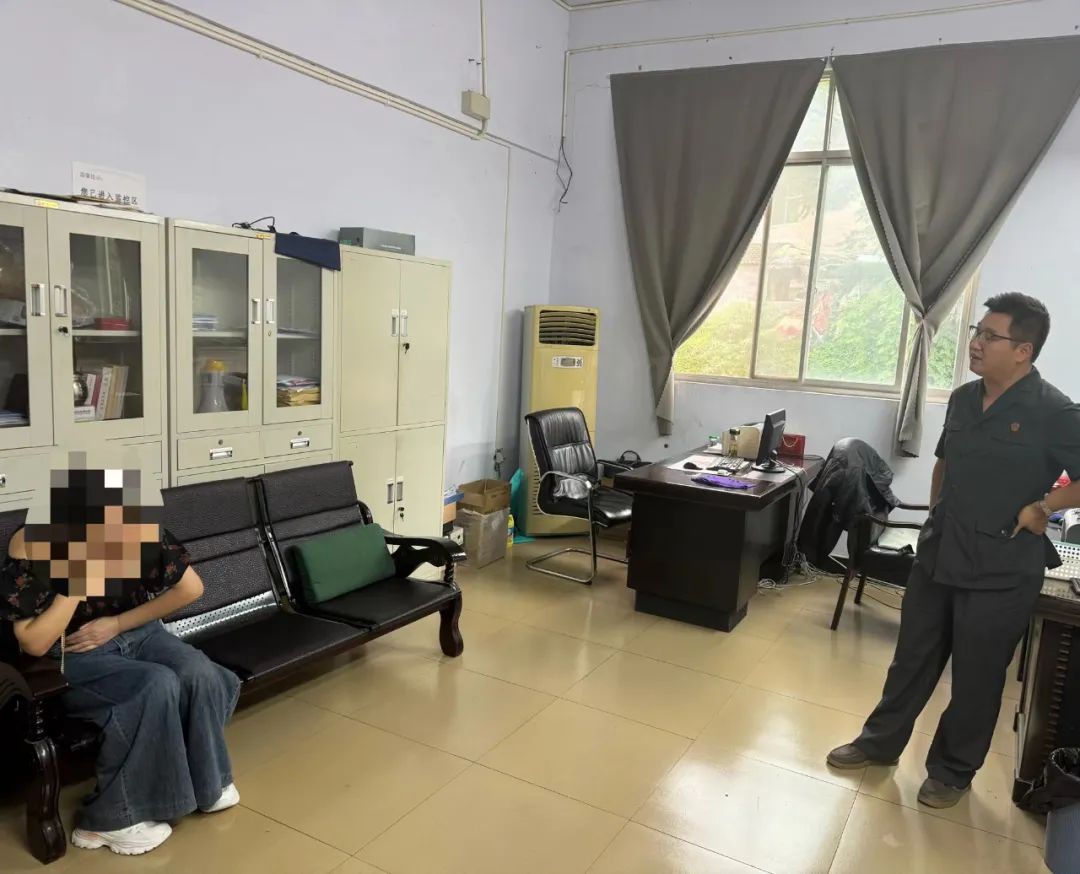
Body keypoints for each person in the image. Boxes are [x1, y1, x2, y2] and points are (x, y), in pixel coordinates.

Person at [827, 293, 1080, 808]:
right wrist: (936, 515)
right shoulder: (964, 398)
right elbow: (944, 462)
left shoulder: (1054, 411)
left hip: (1002, 566)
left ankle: (952, 771)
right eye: (975, 333)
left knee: (976, 676)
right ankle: (879, 744)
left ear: (1023, 350)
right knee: (911, 659)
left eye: (990, 336)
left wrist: (1044, 507)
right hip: (940, 553)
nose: (976, 343)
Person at [0, 468, 242, 855]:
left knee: (199, 673)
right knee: (155, 685)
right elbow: (33, 643)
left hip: (138, 633)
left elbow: (191, 588)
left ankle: (207, 784)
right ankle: (110, 819)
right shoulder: (34, 544)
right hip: (75, 651)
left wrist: (116, 624)